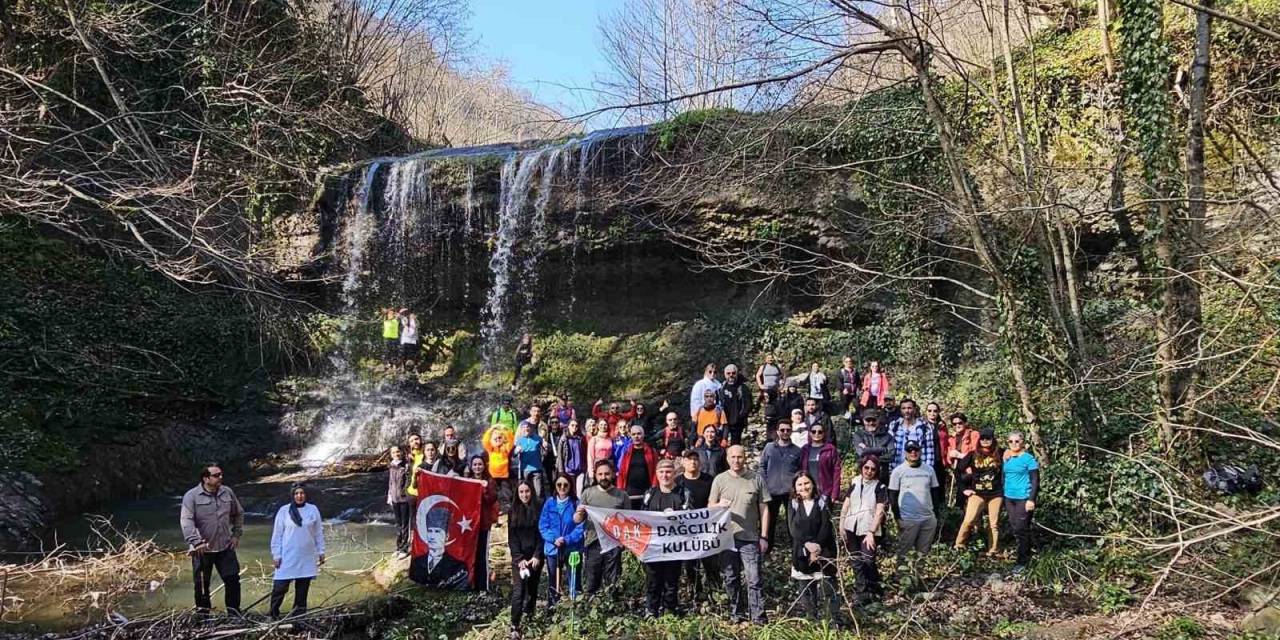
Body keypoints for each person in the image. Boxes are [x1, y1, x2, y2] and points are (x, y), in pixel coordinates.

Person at [710, 445, 770, 625]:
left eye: (740, 457)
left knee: (754, 579)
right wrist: (719, 504)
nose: (736, 460)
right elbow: (709, 507)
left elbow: (764, 509)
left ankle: (758, 617)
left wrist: (764, 536)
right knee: (730, 577)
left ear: (745, 458)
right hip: (726, 539)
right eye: (733, 457)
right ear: (727, 458)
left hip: (750, 538)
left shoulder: (756, 479)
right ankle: (737, 613)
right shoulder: (720, 480)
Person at [180, 463, 244, 615]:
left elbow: (239, 513)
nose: (220, 477)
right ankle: (204, 618)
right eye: (216, 475)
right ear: (205, 478)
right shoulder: (192, 496)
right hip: (202, 550)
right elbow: (186, 521)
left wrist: (236, 535)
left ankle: (234, 615)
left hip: (225, 547)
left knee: (233, 581)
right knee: (202, 586)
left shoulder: (227, 492)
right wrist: (196, 542)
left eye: (221, 474)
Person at [641, 459, 691, 617]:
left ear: (674, 474)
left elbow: (692, 519)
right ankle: (651, 610)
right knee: (653, 580)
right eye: (661, 472)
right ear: (656, 473)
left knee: (671, 581)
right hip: (654, 547)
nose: (665, 475)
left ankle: (670, 611)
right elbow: (641, 517)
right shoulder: (650, 494)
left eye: (668, 471)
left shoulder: (684, 493)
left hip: (675, 547)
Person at [788, 473, 839, 623]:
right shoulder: (793, 503)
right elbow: (792, 528)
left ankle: (832, 621)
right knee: (807, 590)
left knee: (829, 588)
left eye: (806, 483)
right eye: (800, 484)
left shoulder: (823, 501)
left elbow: (825, 526)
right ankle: (812, 620)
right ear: (795, 487)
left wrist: (817, 546)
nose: (804, 487)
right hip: (801, 551)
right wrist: (807, 545)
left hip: (824, 549)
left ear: (813, 484)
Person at [269, 483, 324, 620]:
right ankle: (273, 615)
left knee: (302, 591)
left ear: (306, 495)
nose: (299, 496)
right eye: (296, 493)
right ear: (292, 495)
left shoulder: (313, 510)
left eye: (302, 493)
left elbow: (318, 532)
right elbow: (277, 534)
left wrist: (321, 551)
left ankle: (298, 619)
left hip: (306, 556)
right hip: (287, 556)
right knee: (279, 588)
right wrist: (276, 554)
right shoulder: (284, 511)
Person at [574, 460, 629, 595]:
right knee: (592, 582)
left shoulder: (622, 495)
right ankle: (592, 611)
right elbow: (577, 520)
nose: (603, 477)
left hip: (614, 543)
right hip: (593, 543)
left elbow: (628, 522)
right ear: (595, 475)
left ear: (613, 474)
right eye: (600, 474)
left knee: (613, 582)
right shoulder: (588, 493)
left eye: (607, 474)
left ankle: (612, 611)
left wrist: (623, 544)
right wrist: (579, 513)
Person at [841, 455, 889, 603]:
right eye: (866, 467)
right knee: (855, 560)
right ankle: (861, 592)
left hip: (868, 528)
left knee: (868, 559)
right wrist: (841, 524)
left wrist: (871, 533)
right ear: (862, 467)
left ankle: (874, 587)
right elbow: (846, 504)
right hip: (851, 526)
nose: (869, 471)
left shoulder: (879, 487)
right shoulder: (855, 482)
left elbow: (880, 511)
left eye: (873, 469)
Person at [677, 449, 718, 604]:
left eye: (695, 459)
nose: (692, 462)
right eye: (689, 459)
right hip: (687, 532)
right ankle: (696, 594)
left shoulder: (709, 480)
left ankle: (716, 594)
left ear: (699, 462)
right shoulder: (678, 481)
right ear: (683, 462)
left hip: (707, 530)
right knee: (690, 565)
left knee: (711, 563)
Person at [954, 428, 1003, 556]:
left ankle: (993, 550)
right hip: (977, 493)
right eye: (983, 439)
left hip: (996, 494)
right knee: (969, 520)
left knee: (994, 524)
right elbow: (958, 471)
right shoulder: (972, 454)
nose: (985, 441)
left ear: (993, 440)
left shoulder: (1001, 453)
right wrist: (964, 489)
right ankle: (959, 546)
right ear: (979, 440)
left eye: (988, 438)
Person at [540, 472, 585, 607]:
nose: (562, 487)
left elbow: (580, 527)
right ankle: (553, 606)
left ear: (570, 486)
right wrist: (554, 539)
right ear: (555, 485)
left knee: (574, 578)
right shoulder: (549, 503)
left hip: (572, 548)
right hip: (553, 549)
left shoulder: (576, 503)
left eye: (565, 484)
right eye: (559, 484)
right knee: (553, 580)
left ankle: (575, 607)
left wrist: (566, 539)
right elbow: (543, 525)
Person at [889, 441, 939, 559]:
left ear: (920, 451)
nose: (913, 452)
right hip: (908, 519)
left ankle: (918, 576)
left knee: (923, 553)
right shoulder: (898, 471)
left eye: (916, 450)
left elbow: (935, 493)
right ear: (905, 452)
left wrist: (935, 516)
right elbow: (892, 496)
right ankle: (901, 577)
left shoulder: (929, 470)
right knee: (904, 553)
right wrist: (897, 518)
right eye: (910, 450)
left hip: (927, 519)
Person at [507, 480, 543, 638]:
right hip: (519, 558)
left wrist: (537, 555)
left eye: (527, 491)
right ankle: (515, 624)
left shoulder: (539, 508)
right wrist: (518, 558)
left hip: (534, 556)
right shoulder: (512, 511)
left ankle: (530, 615)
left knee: (533, 589)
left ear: (531, 492)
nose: (524, 495)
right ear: (517, 493)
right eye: (521, 492)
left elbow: (542, 535)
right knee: (519, 591)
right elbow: (512, 537)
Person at [760, 422, 802, 548]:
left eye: (788, 429)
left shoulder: (797, 450)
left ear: (791, 431)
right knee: (769, 522)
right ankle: (766, 548)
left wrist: (796, 489)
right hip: (771, 491)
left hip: (790, 492)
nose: (785, 432)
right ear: (777, 431)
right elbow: (762, 466)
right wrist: (764, 484)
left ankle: (795, 549)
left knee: (792, 522)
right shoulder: (769, 447)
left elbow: (800, 471)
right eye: (782, 430)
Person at [1003, 431, 1040, 573]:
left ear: (1023, 442)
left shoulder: (1028, 459)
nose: (1014, 444)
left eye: (1017, 441)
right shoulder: (1007, 458)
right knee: (1016, 528)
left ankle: (1023, 562)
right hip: (1009, 497)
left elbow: (1035, 481)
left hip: (1023, 498)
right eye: (1010, 441)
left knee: (1021, 528)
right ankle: (1023, 555)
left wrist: (1031, 499)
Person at [466, 455, 500, 591]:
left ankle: (483, 585)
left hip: (484, 524)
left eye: (480, 464)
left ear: (484, 466)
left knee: (482, 555)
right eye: (475, 465)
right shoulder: (467, 481)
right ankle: (470, 582)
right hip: (469, 524)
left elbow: (492, 499)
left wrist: (485, 488)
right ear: (471, 466)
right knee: (471, 554)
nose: (477, 467)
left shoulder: (490, 481)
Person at [616, 423, 658, 509]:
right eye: (634, 434)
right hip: (630, 490)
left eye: (639, 434)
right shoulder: (627, 452)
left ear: (643, 435)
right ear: (630, 436)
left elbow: (656, 471)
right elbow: (622, 472)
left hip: (647, 490)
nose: (636, 436)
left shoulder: (652, 451)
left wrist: (654, 487)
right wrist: (620, 489)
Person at [800, 421, 841, 503]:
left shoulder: (830, 449)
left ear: (824, 433)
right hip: (807, 490)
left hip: (825, 491)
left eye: (820, 432)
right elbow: (800, 470)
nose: (816, 434)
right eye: (814, 431)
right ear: (810, 433)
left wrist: (834, 493)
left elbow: (836, 472)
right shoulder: (804, 449)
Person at [851, 409, 894, 484]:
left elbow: (891, 455)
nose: (871, 423)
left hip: (882, 476)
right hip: (864, 475)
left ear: (878, 420)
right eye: (868, 420)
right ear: (863, 421)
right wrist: (882, 449)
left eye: (873, 420)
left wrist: (867, 450)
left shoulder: (887, 436)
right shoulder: (858, 435)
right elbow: (861, 452)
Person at [891, 398, 935, 468]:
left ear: (914, 409)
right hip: (897, 468)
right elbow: (890, 449)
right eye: (904, 408)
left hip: (918, 470)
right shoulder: (894, 425)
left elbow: (930, 452)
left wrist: (928, 472)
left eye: (909, 408)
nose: (906, 411)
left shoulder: (924, 427)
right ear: (900, 410)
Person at [717, 364, 753, 446]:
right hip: (723, 422)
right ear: (725, 374)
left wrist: (740, 417)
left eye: (733, 373)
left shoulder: (743, 388)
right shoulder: (722, 386)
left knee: (735, 445)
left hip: (737, 423)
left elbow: (748, 405)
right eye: (728, 373)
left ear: (737, 373)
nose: (731, 375)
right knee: (721, 444)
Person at [387, 445, 413, 558]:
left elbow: (409, 481)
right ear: (391, 454)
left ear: (401, 452)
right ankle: (398, 547)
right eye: (393, 452)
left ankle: (404, 549)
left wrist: (407, 494)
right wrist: (389, 495)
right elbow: (390, 482)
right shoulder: (391, 466)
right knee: (398, 524)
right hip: (394, 498)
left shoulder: (406, 465)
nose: (396, 454)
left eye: (398, 452)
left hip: (404, 499)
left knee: (404, 525)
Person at [514, 419, 546, 498]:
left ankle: (539, 508)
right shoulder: (519, 440)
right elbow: (513, 455)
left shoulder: (538, 438)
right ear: (521, 430)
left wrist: (546, 446)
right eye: (524, 427)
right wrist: (516, 451)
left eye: (527, 427)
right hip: (524, 470)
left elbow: (546, 448)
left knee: (538, 492)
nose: (526, 429)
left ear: (531, 428)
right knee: (527, 493)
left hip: (537, 470)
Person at [483, 424, 515, 502]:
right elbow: (485, 440)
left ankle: (508, 508)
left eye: (499, 438)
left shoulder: (505, 448)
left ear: (502, 438)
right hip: (493, 476)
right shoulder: (490, 449)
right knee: (493, 494)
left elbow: (511, 440)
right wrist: (491, 429)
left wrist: (505, 430)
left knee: (507, 494)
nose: (497, 439)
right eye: (495, 438)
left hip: (504, 476)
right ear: (492, 440)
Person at [557, 419, 588, 489]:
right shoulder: (564, 439)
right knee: (572, 490)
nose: (574, 427)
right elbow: (560, 455)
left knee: (580, 491)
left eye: (576, 426)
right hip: (569, 470)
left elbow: (584, 453)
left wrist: (585, 467)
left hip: (580, 470)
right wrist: (561, 470)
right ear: (568, 426)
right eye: (572, 425)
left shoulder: (580, 438)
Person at [836, 356, 861, 420]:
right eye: (846, 362)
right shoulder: (841, 371)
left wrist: (859, 389)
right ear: (844, 363)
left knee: (856, 404)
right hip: (845, 393)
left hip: (854, 392)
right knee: (845, 404)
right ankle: (845, 417)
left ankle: (855, 417)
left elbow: (858, 381)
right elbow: (839, 382)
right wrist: (842, 389)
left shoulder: (855, 371)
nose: (848, 363)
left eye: (850, 361)